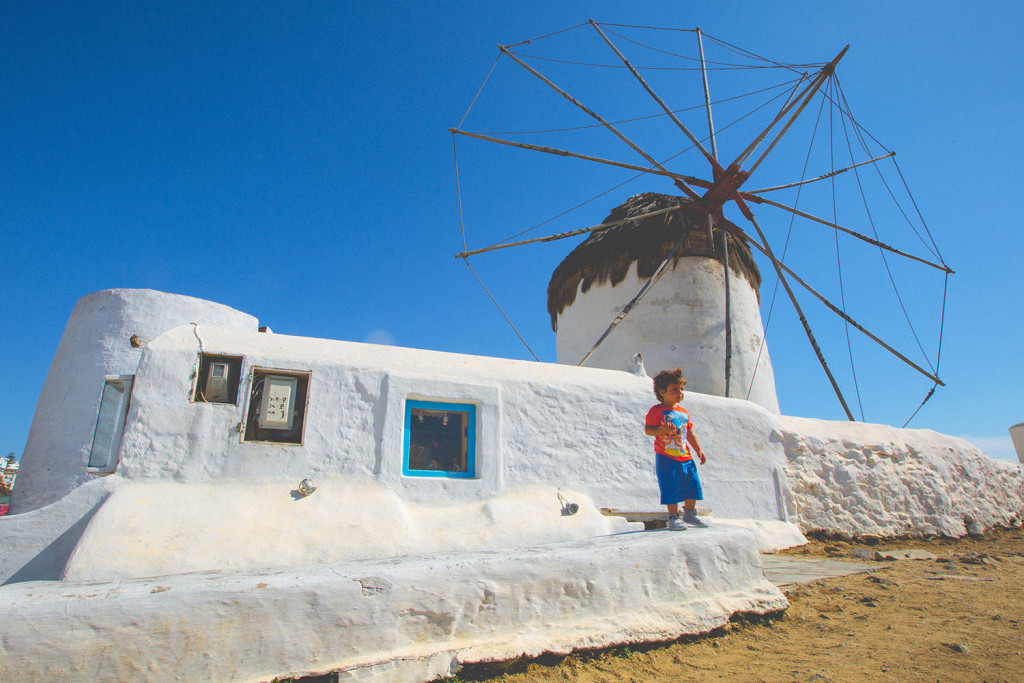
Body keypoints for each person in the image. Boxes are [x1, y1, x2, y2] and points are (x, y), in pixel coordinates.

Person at [644, 367, 708, 531]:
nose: (679, 392)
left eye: (681, 389)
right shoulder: (656, 410)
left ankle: (690, 514)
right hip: (666, 456)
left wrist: (698, 450)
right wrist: (662, 431)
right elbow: (649, 429)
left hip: (684, 455)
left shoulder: (683, 412)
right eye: (674, 389)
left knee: (692, 484)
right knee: (670, 485)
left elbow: (689, 432)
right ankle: (673, 517)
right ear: (662, 391)